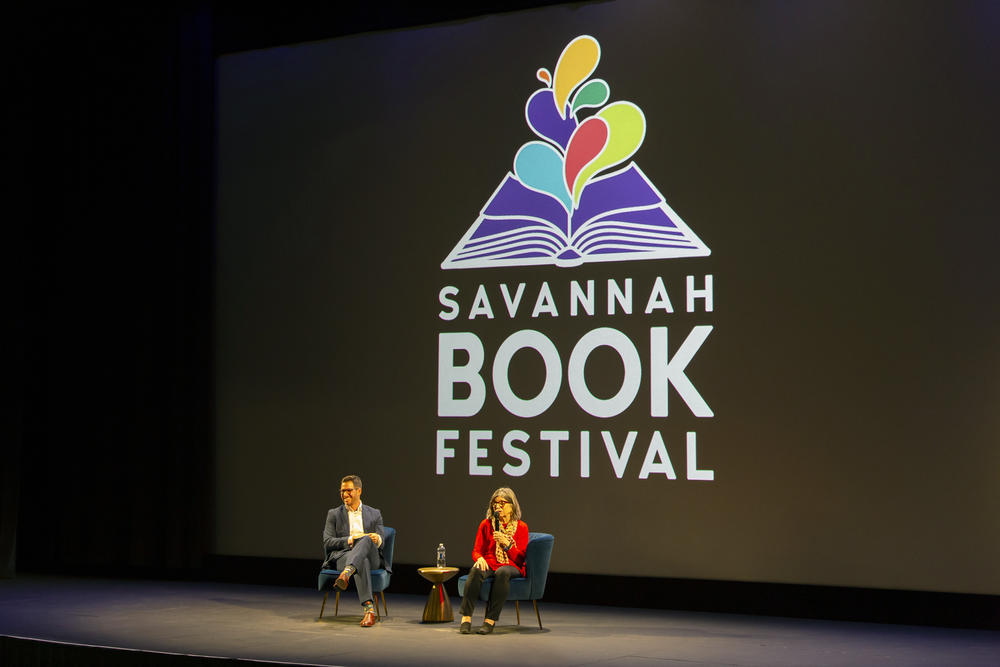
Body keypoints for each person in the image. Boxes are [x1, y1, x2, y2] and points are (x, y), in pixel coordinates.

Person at [458, 487, 529, 634]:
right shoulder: (486, 524)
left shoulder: (522, 527)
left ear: (512, 506)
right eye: (495, 503)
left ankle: (490, 620)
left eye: (502, 503)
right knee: (476, 569)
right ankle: (466, 618)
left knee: (502, 572)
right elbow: (476, 550)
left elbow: (521, 557)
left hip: (511, 565)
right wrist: (479, 559)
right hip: (490, 562)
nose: (498, 507)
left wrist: (507, 544)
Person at [322, 474, 386, 627]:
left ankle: (347, 573)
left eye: (348, 490)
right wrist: (350, 540)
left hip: (372, 558)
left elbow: (382, 541)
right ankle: (369, 612)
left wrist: (377, 539)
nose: (344, 494)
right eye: (342, 491)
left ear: (359, 491)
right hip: (344, 556)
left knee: (365, 539)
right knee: (360, 559)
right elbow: (328, 542)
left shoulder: (375, 513)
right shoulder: (334, 514)